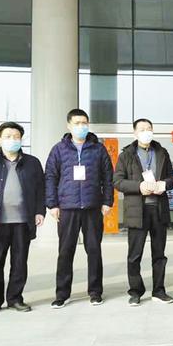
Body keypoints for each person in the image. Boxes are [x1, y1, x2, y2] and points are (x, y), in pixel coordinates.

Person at [0, 122, 45, 315]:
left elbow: (40, 190)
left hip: (23, 221)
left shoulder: (32, 163)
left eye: (16, 137)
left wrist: (40, 211)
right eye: (8, 136)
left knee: (19, 263)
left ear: (21, 139)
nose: (13, 140)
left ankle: (15, 299)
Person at [45, 109, 113, 308]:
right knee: (65, 252)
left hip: (92, 207)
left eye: (84, 123)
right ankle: (62, 294)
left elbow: (108, 177)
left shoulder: (98, 149)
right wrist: (52, 204)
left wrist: (107, 201)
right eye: (77, 123)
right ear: (69, 125)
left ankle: (95, 292)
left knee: (94, 250)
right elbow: (50, 177)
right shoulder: (59, 149)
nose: (81, 126)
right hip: (67, 207)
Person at [113, 118, 173, 306]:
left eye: (149, 128)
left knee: (159, 254)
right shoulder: (126, 155)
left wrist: (164, 184)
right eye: (142, 129)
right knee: (135, 255)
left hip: (158, 209)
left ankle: (159, 290)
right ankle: (135, 291)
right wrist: (139, 186)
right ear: (135, 133)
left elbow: (172, 178)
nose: (146, 132)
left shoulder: (162, 152)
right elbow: (118, 182)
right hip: (137, 211)